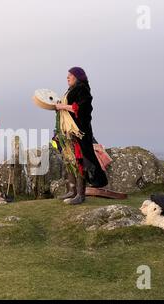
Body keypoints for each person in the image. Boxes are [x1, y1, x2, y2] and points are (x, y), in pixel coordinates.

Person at [54, 67, 108, 205]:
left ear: (77, 77)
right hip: (68, 130)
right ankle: (72, 191)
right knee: (69, 159)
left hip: (79, 131)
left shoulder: (82, 89)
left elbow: (81, 108)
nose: (67, 78)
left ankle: (80, 194)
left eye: (70, 75)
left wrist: (62, 107)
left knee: (79, 161)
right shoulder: (71, 90)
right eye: (67, 75)